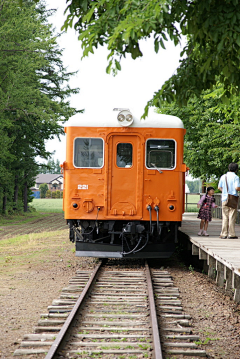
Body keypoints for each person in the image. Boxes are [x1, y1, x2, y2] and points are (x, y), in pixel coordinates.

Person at [218, 163, 240, 239]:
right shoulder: (236, 177)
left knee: (225, 216)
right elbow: (237, 188)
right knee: (232, 217)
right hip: (233, 198)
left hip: (224, 198)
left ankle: (224, 234)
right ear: (236, 169)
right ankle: (231, 234)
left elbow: (219, 187)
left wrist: (225, 191)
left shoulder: (223, 176)